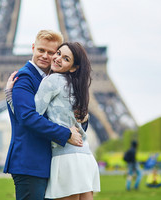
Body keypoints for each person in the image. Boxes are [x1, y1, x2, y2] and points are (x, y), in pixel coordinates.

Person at [6, 42, 100, 199]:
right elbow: (79, 119)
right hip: (85, 157)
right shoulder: (76, 86)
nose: (56, 58)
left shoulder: (51, 80)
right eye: (58, 53)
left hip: (66, 156)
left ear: (73, 67)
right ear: (33, 47)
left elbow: (30, 115)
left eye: (65, 58)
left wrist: (10, 95)